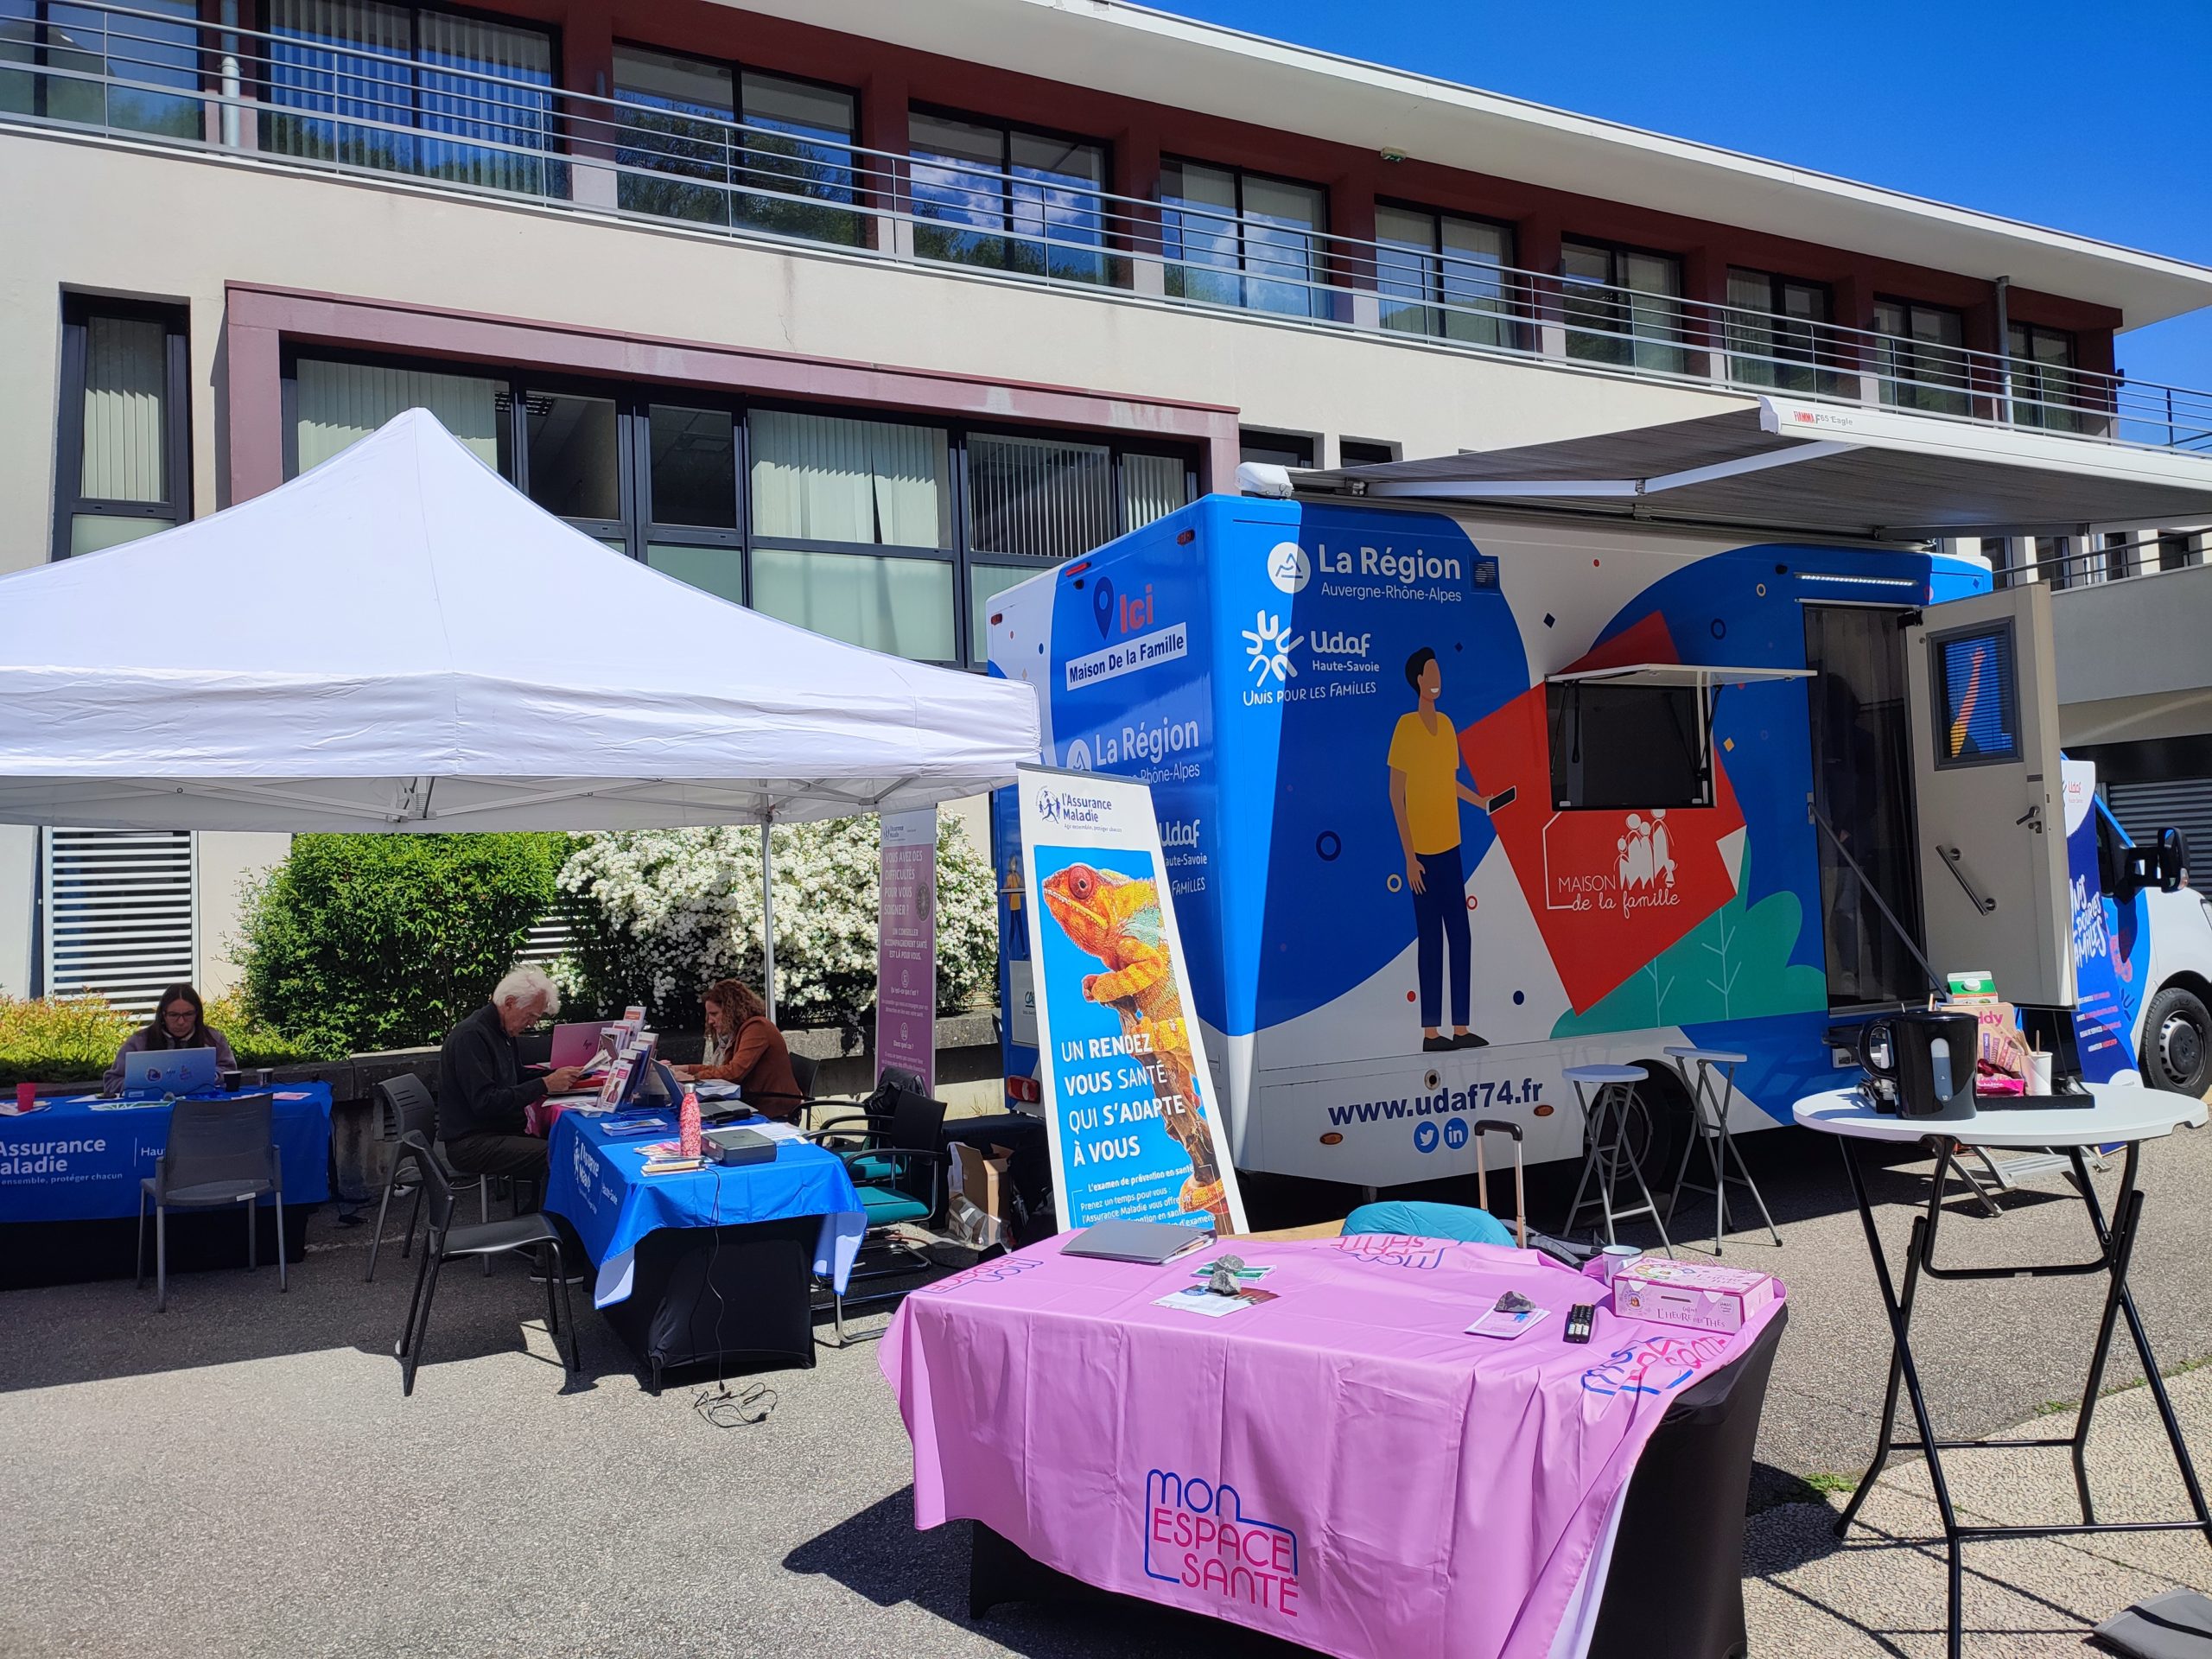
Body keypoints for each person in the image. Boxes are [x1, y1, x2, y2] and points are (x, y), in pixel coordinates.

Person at [1388, 647, 1498, 1053]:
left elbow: (1446, 782)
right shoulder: (1406, 727)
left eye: (1438, 672)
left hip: (1451, 848)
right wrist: (1409, 857)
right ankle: (1431, 1033)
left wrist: (1480, 802)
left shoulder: (1448, 726)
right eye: (1430, 672)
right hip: (1423, 857)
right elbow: (1396, 795)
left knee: (1461, 937)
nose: (1437, 679)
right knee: (1431, 940)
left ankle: (1462, 1027)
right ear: (1418, 679)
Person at [435, 966, 588, 1184]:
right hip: (471, 1142)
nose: (532, 1024)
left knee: (565, 1142)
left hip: (496, 1130)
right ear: (509, 1003)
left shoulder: (501, 1029)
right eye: (530, 1016)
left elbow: (517, 1075)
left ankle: (540, 1202)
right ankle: (550, 1207)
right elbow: (486, 1102)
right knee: (561, 1154)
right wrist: (545, 1084)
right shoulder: (471, 1036)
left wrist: (558, 1075)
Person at [670, 978, 804, 1119]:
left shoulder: (757, 1028)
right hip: (756, 1103)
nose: (710, 1021)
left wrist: (693, 1078)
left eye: (714, 1014)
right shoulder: (743, 1029)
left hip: (772, 1109)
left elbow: (734, 1072)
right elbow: (725, 1069)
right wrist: (686, 1068)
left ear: (731, 1011)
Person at [103, 982, 238, 1093]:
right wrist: (138, 1084)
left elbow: (230, 1071)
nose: (181, 1022)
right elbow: (112, 1082)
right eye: (174, 1015)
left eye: (188, 1014)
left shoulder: (213, 1038)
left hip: (201, 1108)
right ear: (163, 1014)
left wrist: (211, 1076)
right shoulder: (139, 1042)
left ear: (197, 1014)